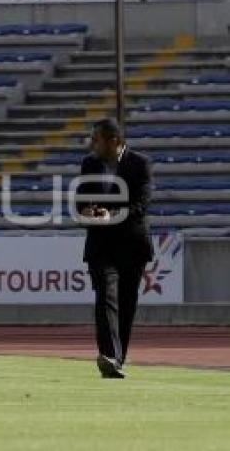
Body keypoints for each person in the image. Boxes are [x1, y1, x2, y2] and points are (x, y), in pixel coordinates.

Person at [76, 118, 153, 379]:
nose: (91, 143)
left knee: (127, 303)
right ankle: (109, 356)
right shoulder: (89, 164)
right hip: (100, 245)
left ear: (114, 141)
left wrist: (114, 214)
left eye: (96, 139)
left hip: (132, 244)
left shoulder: (140, 163)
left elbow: (141, 205)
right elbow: (80, 202)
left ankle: (117, 359)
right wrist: (87, 210)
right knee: (105, 298)